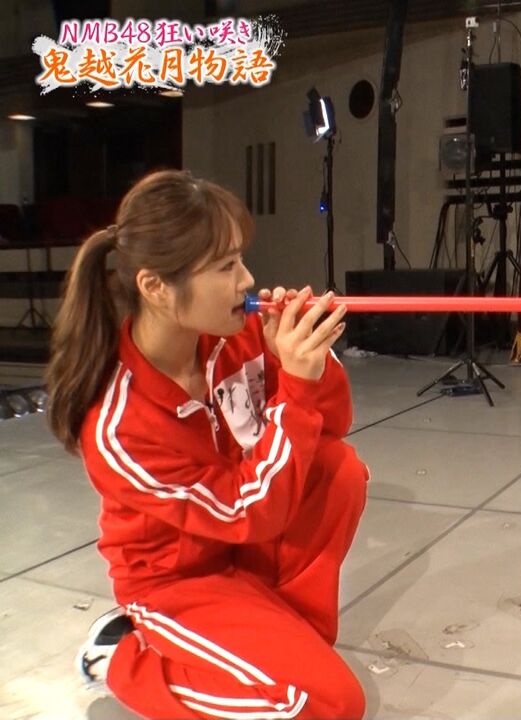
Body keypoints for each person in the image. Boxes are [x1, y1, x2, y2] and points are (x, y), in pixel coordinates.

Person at [44, 169, 368, 719]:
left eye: (241, 259)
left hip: (241, 544)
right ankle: (120, 658)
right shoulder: (119, 425)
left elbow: (330, 427)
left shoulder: (233, 338)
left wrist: (303, 364)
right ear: (155, 287)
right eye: (225, 266)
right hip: (178, 580)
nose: (247, 280)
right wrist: (296, 388)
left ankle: (283, 635)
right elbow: (247, 509)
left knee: (338, 469)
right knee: (328, 705)